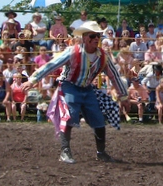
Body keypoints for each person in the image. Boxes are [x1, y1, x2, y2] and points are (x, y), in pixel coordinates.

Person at [21, 21, 128, 164]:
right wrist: (33, 80)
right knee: (68, 115)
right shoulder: (73, 51)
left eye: (98, 36)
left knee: (98, 119)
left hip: (88, 89)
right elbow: (52, 65)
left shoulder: (103, 56)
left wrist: (123, 94)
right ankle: (65, 152)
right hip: (69, 86)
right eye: (93, 36)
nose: (96, 39)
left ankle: (101, 152)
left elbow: (114, 75)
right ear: (84, 38)